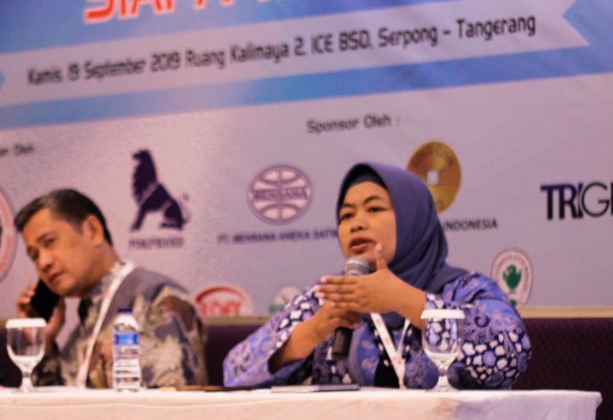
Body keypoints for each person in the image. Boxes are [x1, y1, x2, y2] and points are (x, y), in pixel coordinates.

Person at [224, 162, 530, 389]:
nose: (357, 224)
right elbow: (234, 373)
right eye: (346, 215)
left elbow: (510, 354)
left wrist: (402, 298)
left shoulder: (464, 291)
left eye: (374, 209)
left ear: (413, 219)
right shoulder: (332, 297)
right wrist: (309, 334)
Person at [13, 189, 207, 388]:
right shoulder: (83, 325)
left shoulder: (160, 300)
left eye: (50, 242)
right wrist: (44, 341)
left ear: (93, 230)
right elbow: (56, 406)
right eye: (34, 255)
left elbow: (171, 403)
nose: (43, 262)